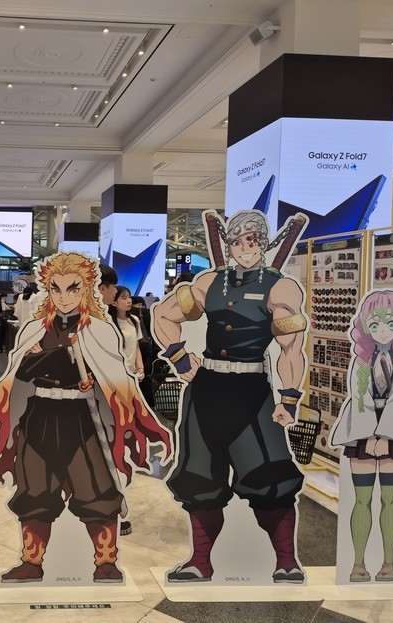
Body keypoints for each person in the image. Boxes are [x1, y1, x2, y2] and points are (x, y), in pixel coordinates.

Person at [0, 252, 172, 583]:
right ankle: (31, 562)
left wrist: (48, 360)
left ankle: (106, 561)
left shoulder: (100, 331)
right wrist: (60, 359)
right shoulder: (34, 328)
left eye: (72, 288)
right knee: (34, 487)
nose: (63, 297)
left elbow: (112, 378)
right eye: (56, 289)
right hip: (39, 414)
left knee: (96, 486)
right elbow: (22, 372)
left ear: (86, 288)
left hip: (82, 416)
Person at [152, 210, 308, 584]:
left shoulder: (281, 288)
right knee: (199, 478)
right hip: (206, 390)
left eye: (252, 241)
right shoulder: (209, 282)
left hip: (252, 393)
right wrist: (179, 356)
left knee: (271, 478)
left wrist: (288, 398)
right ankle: (199, 562)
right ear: (228, 244)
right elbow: (163, 315)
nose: (244, 248)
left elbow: (291, 348)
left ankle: (287, 561)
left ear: (265, 243)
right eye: (237, 241)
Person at [330, 289, 393, 582]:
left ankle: (389, 564)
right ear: (364, 327)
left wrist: (384, 435)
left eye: (390, 323)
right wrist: (371, 435)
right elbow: (359, 399)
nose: (382, 331)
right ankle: (358, 564)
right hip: (362, 434)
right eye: (375, 324)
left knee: (390, 499)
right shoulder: (360, 361)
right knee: (361, 499)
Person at [109, 286, 144, 381]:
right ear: (114, 303)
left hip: (132, 372)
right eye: (124, 298)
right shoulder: (109, 323)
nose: (129, 301)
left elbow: (136, 347)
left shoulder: (135, 320)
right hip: (115, 374)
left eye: (129, 297)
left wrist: (140, 368)